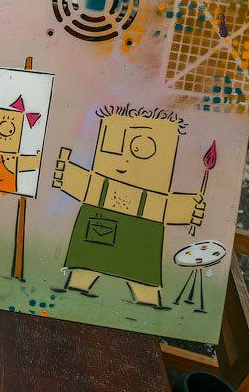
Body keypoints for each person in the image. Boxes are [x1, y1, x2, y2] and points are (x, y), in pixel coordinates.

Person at [53, 105, 205, 307]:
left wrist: (190, 210)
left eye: (142, 149)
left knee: (143, 275)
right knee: (87, 264)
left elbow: (169, 208)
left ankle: (148, 302)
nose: (124, 158)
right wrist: (65, 174)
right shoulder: (99, 183)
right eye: (113, 143)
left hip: (141, 237)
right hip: (99, 228)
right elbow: (79, 183)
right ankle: (77, 289)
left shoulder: (155, 197)